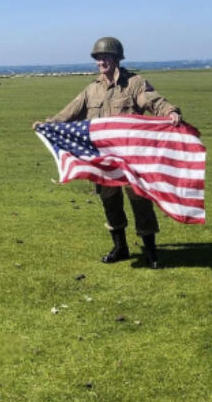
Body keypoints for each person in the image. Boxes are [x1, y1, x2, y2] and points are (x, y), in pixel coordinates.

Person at [34, 36, 181, 269]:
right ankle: (120, 247)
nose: (100, 62)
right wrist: (48, 125)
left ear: (116, 58)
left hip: (131, 157)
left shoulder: (134, 83)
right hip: (102, 159)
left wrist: (170, 112)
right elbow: (70, 112)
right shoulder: (91, 90)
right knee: (109, 202)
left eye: (105, 57)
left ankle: (151, 252)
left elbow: (154, 101)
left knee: (140, 201)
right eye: (98, 58)